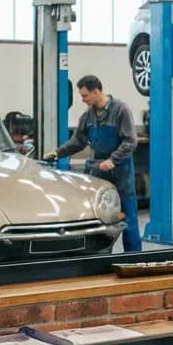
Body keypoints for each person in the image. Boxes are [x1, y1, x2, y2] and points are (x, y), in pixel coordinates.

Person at [43, 75, 141, 253]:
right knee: (98, 216)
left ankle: (133, 257)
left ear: (96, 92)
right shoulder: (88, 115)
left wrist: (113, 160)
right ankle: (100, 255)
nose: (82, 100)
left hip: (121, 169)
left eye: (85, 95)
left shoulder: (120, 110)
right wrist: (57, 153)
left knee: (127, 216)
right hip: (99, 168)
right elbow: (78, 141)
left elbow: (130, 141)